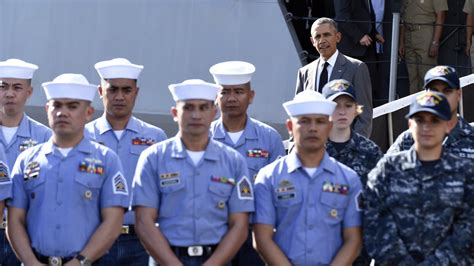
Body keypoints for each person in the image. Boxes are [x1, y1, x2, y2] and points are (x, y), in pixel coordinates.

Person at [7, 74, 130, 265]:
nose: (62, 113)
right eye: (56, 105)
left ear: (89, 112)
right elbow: (15, 219)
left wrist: (80, 261)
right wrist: (31, 262)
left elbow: (113, 222)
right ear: (47, 109)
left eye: (72, 106)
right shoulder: (26, 161)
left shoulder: (106, 160)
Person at [132, 79, 254, 265]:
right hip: (167, 258)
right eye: (188, 108)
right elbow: (144, 221)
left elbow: (240, 224)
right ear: (174, 113)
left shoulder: (233, 161)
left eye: (203, 108)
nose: (196, 115)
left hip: (217, 259)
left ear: (214, 112)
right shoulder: (153, 158)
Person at [253, 90, 363, 265]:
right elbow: (261, 237)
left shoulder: (348, 179)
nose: (312, 128)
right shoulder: (269, 177)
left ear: (329, 126)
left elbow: (354, 239)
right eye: (304, 121)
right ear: (290, 127)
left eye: (320, 122)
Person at [364, 90, 474, 264]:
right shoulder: (387, 170)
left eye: (435, 120)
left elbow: (468, 230)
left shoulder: (465, 173)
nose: (426, 127)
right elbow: (373, 221)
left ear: (448, 125)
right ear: (409, 124)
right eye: (420, 120)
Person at [85, 58, 167, 266]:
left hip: (140, 243)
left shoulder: (156, 138)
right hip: (92, 239)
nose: (119, 97)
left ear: (136, 93)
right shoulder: (82, 136)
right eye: (112, 90)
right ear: (101, 92)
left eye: (126, 90)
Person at [209, 61, 285, 266]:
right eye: (225, 92)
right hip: (213, 235)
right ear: (216, 98)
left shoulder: (269, 139)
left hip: (255, 237)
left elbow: (279, 191)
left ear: (251, 96)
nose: (232, 98)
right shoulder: (202, 138)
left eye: (239, 92)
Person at [0, 58, 51, 266]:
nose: (9, 93)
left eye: (17, 87)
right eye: (3, 86)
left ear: (28, 93)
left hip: (26, 235)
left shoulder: (45, 137)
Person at [295, 17, 373, 138]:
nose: (322, 40)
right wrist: (294, 146)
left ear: (338, 37)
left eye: (326, 35)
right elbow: (298, 114)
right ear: (312, 41)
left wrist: (353, 149)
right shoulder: (304, 72)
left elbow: (364, 115)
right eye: (317, 36)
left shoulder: (356, 68)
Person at [387, 65, 474, 159]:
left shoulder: (471, 137)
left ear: (458, 94)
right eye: (434, 91)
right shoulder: (408, 139)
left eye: (447, 91)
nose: (440, 97)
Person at [334, 0, 385, 101]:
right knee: (349, 90)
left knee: (369, 87)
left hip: (368, 47)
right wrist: (359, 36)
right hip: (351, 49)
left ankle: (369, 114)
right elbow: (342, 16)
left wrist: (374, 33)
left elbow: (366, 14)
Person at [399, 0, 448, 95]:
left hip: (425, 32)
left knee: (427, 75)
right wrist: (401, 42)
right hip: (408, 33)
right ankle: (415, 107)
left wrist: (435, 42)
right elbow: (403, 17)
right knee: (412, 76)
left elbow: (441, 15)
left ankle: (429, 107)